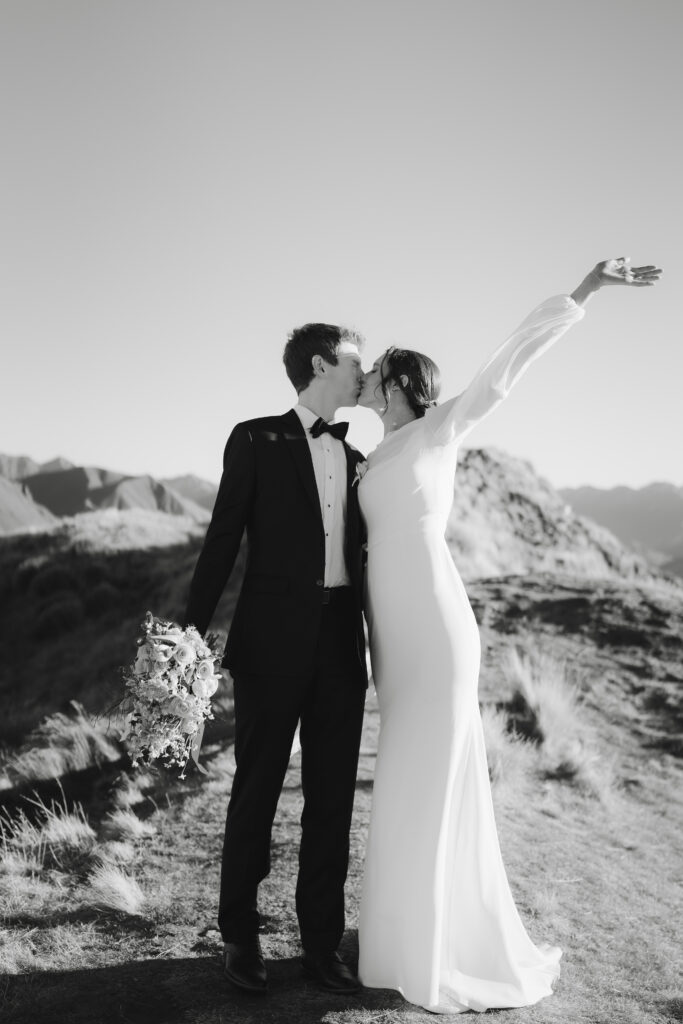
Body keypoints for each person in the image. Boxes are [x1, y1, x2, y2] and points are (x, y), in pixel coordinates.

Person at [355, 257, 662, 1013]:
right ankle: (395, 940)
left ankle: (442, 947)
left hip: (436, 625)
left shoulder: (438, 428)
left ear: (398, 384)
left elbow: (507, 362)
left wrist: (584, 289)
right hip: (391, 639)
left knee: (433, 779)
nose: (363, 379)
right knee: (401, 781)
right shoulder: (368, 456)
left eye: (374, 373)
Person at [184, 323, 368, 994]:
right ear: (322, 364)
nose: (361, 372)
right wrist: (186, 638)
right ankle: (240, 938)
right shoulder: (254, 437)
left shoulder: (357, 461)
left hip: (341, 648)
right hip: (269, 647)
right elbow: (222, 539)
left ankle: (321, 948)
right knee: (255, 791)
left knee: (332, 803)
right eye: (355, 361)